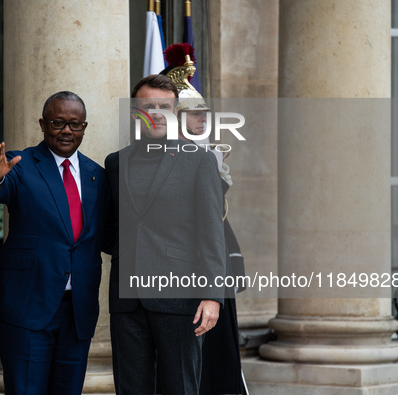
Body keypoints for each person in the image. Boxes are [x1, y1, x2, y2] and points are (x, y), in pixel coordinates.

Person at [0, 91, 109, 395]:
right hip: (27, 304)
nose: (66, 131)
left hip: (78, 310)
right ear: (43, 124)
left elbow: (104, 236)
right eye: (58, 122)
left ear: (84, 127)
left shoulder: (97, 176)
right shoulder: (20, 164)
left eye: (74, 124)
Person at [105, 74, 227, 395]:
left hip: (180, 298)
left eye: (165, 106)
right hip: (127, 301)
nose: (157, 113)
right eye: (149, 106)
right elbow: (109, 228)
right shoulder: (116, 163)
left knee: (180, 388)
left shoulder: (199, 161)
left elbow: (212, 233)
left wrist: (213, 295)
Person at [161, 49, 248, 395]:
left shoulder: (206, 157)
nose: (202, 120)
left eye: (204, 114)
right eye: (193, 114)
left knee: (215, 362)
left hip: (208, 271)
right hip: (171, 273)